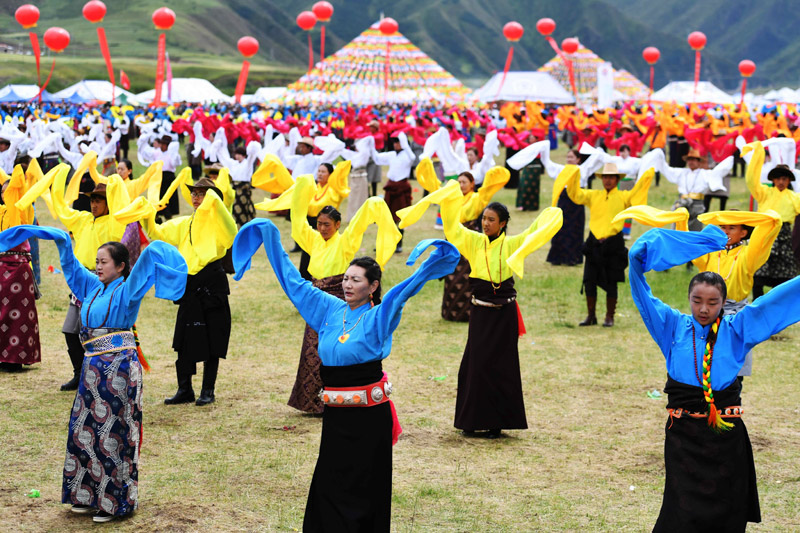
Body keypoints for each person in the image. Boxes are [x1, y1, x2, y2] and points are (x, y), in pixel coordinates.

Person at [232, 218, 459, 532]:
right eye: (347, 278)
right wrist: (269, 236)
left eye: (356, 280)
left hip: (369, 421)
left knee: (365, 488)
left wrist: (426, 268)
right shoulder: (329, 309)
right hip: (337, 419)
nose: (348, 285)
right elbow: (294, 284)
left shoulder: (379, 317)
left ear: (373, 287)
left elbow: (401, 294)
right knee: (330, 481)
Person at [0, 224, 187, 523]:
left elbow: (150, 259)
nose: (98, 266)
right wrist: (60, 240)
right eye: (97, 262)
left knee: (113, 434)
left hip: (119, 369)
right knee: (84, 432)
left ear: (121, 266)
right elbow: (72, 268)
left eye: (104, 262)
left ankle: (114, 502)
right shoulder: (92, 286)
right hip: (91, 369)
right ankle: (86, 495)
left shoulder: (127, 290)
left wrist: (158, 257)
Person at [628, 225, 800, 531]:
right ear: (689, 298)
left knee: (726, 506)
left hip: (724, 435)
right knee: (680, 508)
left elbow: (775, 303)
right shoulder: (671, 325)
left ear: (724, 302)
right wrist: (638, 257)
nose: (703, 309)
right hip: (684, 436)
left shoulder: (738, 328)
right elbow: (642, 292)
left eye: (712, 302)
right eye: (697, 300)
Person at [438, 178, 564, 437]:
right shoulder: (473, 241)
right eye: (484, 218)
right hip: (481, 312)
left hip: (504, 313)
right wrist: (449, 198)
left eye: (492, 219)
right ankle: (470, 422)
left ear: (503, 223)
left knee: (502, 365)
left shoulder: (513, 244)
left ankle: (497, 423)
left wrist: (552, 213)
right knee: (476, 364)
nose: (486, 223)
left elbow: (535, 233)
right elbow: (452, 229)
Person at [115, 177, 237, 406]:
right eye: (194, 193)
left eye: (202, 193)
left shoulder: (219, 222)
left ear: (212, 198)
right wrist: (147, 213)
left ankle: (207, 390)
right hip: (189, 283)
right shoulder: (186, 222)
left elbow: (231, 233)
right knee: (184, 338)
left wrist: (214, 198)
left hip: (212, 281)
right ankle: (185, 389)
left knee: (213, 338)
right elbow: (158, 233)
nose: (196, 197)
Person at [286, 175, 401, 413]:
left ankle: (336, 397)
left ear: (338, 225)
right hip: (316, 299)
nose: (322, 228)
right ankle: (312, 401)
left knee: (335, 349)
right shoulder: (313, 240)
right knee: (312, 349)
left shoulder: (345, 242)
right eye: (319, 223)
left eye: (327, 224)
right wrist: (301, 191)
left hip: (338, 301)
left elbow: (362, 220)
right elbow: (298, 225)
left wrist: (374, 205)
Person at [396, 164, 510, 322]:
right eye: (459, 182)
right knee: (452, 274)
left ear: (472, 184)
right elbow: (436, 190)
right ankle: (451, 311)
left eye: (464, 182)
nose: (461, 185)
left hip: (470, 238)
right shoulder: (451, 197)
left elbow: (489, 189)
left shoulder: (477, 198)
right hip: (453, 239)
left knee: (469, 274)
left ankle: (470, 311)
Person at [50, 166, 130, 391]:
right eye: (92, 200)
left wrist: (114, 180)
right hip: (81, 280)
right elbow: (61, 209)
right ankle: (80, 373)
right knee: (70, 330)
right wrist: (59, 177)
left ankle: (98, 374)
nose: (94, 204)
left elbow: (122, 203)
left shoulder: (114, 222)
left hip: (102, 283)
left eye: (99, 200)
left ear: (108, 203)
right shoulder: (83, 219)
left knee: (97, 330)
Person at [563, 163, 654, 327]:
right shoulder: (593, 195)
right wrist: (574, 174)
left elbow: (636, 193)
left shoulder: (623, 197)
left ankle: (609, 316)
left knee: (612, 281)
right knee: (589, 280)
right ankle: (591, 316)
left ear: (617, 179)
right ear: (601, 179)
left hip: (613, 243)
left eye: (611, 177)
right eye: (605, 177)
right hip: (594, 242)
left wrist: (645, 177)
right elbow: (575, 194)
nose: (608, 180)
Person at [508, 142, 604, 266]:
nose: (569, 159)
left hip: (576, 203)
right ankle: (558, 257)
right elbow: (547, 162)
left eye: (572, 157)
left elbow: (597, 160)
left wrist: (598, 150)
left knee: (575, 228)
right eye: (568, 157)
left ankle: (572, 258)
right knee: (561, 228)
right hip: (563, 202)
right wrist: (544, 148)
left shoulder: (583, 169)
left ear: (578, 159)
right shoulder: (560, 169)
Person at [743, 142, 800, 297]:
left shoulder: (794, 198)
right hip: (765, 235)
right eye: (778, 178)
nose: (781, 182)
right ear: (773, 180)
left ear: (789, 181)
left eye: (784, 179)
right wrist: (757, 156)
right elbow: (751, 181)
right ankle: (757, 304)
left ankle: (778, 309)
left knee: (786, 277)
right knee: (758, 272)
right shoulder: (765, 193)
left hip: (784, 237)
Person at [0, 170, 41, 371]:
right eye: (4, 193)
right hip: (0, 269)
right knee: (2, 314)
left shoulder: (25, 212)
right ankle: (2, 356)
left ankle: (15, 358)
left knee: (18, 315)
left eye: (13, 193)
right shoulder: (0, 212)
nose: (7, 196)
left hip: (19, 270)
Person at [652, 147, 733, 231]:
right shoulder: (681, 172)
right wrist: (660, 156)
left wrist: (730, 159)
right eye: (689, 160)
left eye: (693, 160)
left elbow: (718, 172)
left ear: (698, 162)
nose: (691, 162)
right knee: (678, 229)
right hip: (682, 204)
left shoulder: (705, 174)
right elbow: (667, 170)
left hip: (697, 205)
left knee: (694, 231)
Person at [372, 133, 415, 253]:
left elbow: (412, 157)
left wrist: (404, 140)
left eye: (398, 142)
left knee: (400, 218)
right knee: (386, 217)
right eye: (395, 142)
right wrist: (371, 144)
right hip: (391, 187)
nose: (396, 144)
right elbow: (377, 158)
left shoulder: (408, 156)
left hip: (402, 187)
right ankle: (384, 243)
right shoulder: (391, 154)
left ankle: (398, 244)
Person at [137, 134, 182, 221]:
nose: (162, 146)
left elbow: (175, 163)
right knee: (156, 201)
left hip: (168, 179)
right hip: (158, 179)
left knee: (168, 202)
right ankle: (158, 220)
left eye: (164, 144)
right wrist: (143, 142)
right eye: (161, 144)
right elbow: (146, 154)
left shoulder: (171, 154)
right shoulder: (156, 153)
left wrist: (175, 155)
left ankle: (169, 219)